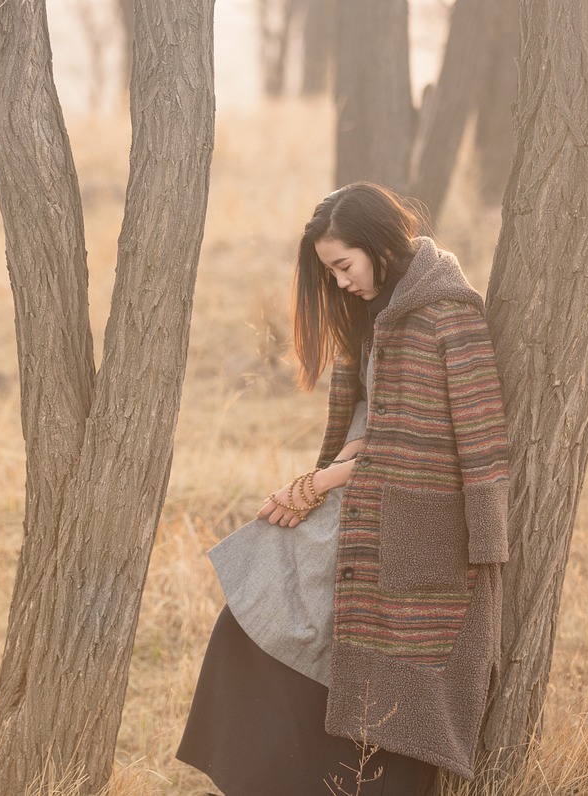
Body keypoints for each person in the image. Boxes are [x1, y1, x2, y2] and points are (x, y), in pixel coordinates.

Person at [176, 183, 511, 796]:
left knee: (381, 683)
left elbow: (472, 438)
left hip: (417, 532)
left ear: (380, 244)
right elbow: (382, 418)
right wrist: (340, 464)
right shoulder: (374, 311)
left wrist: (327, 477)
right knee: (252, 616)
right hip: (361, 507)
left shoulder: (448, 314)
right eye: (329, 271)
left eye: (343, 266)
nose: (338, 283)